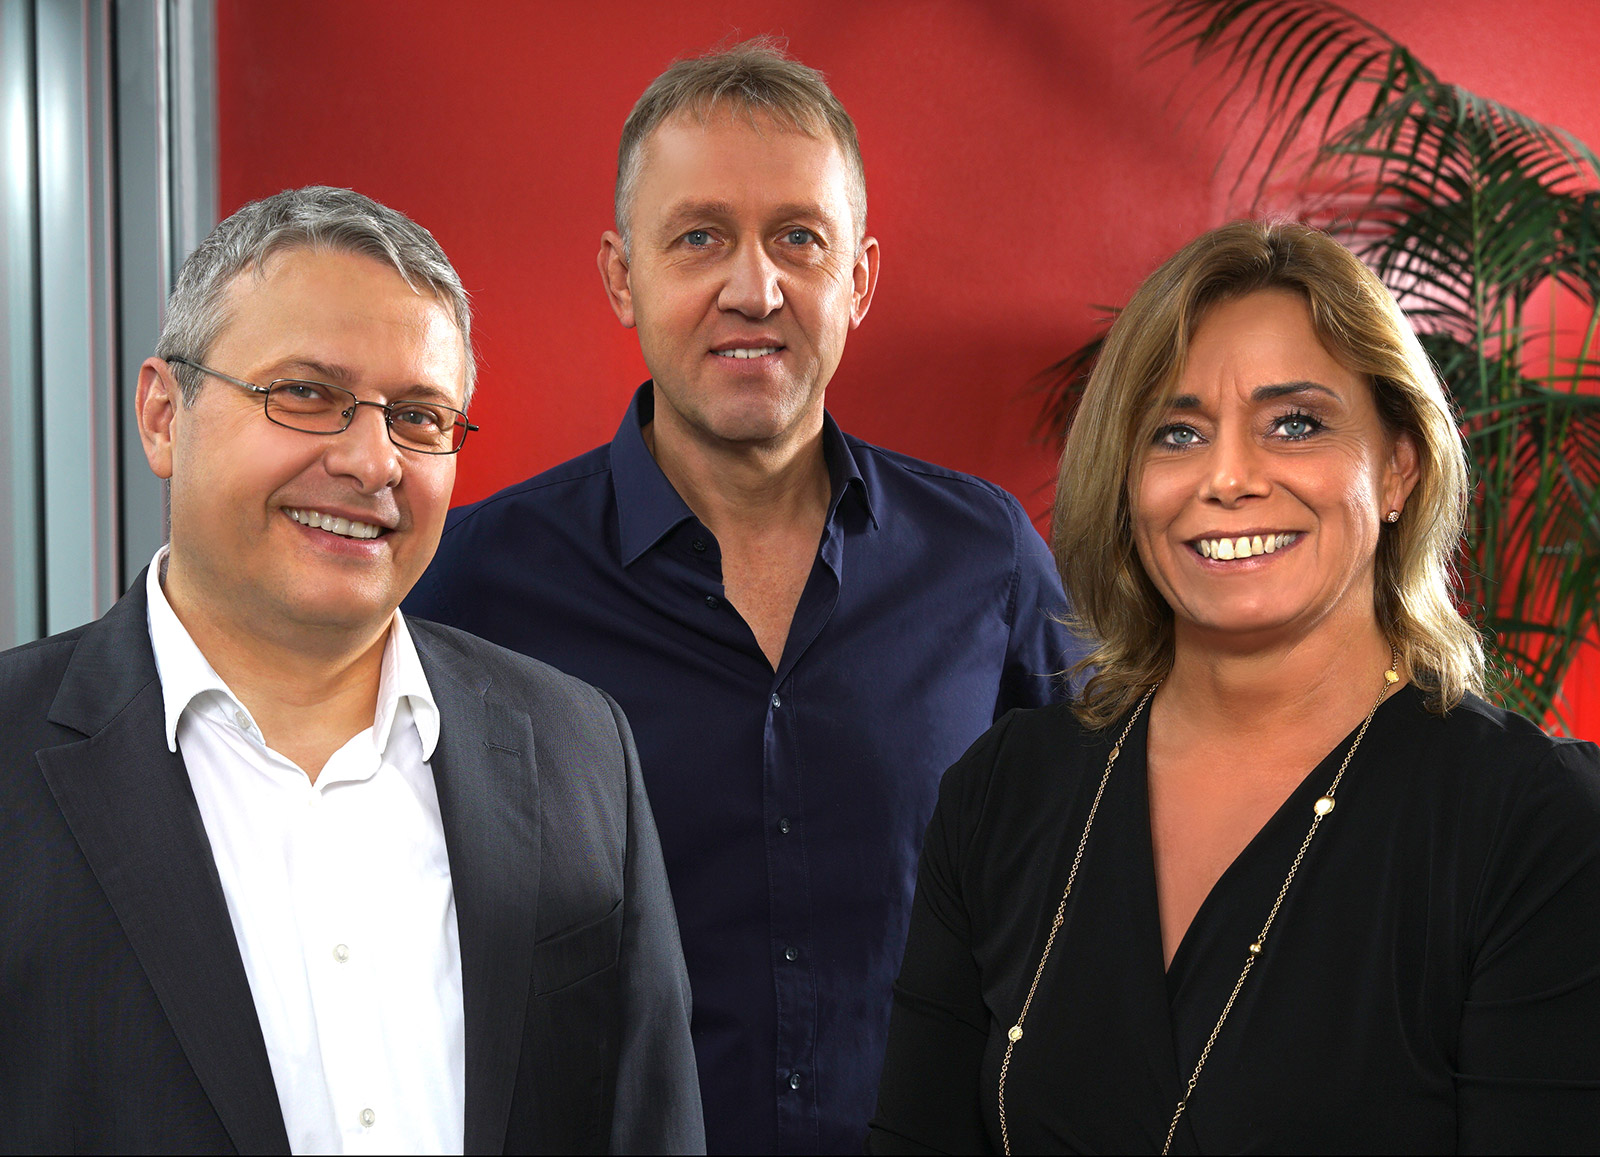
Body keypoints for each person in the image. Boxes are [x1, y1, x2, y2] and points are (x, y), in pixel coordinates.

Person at [403, 40, 1081, 1155]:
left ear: (858, 279)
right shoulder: (474, 581)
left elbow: (1111, 862)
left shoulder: (986, 560)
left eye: (798, 238)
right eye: (700, 237)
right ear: (623, 276)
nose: (754, 290)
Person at [869, 221, 1600, 1153]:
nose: (1227, 477)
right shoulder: (1003, 789)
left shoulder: (1534, 823)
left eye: (1295, 423)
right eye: (1177, 433)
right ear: (1127, 483)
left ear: (1399, 468)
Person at [0, 186, 703, 1155]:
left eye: (418, 415)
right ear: (164, 415)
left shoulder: (581, 750)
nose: (373, 462)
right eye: (305, 394)